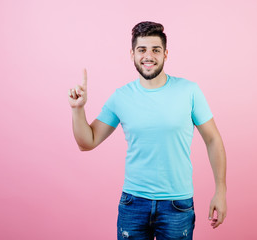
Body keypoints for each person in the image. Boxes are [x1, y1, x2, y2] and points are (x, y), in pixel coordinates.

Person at [68, 21, 227, 240]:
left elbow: (213, 140)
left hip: (177, 205)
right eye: (142, 50)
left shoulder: (189, 91)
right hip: (133, 204)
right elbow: (87, 142)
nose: (148, 56)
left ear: (166, 54)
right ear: (132, 53)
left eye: (155, 50)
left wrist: (221, 191)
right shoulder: (121, 97)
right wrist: (78, 109)